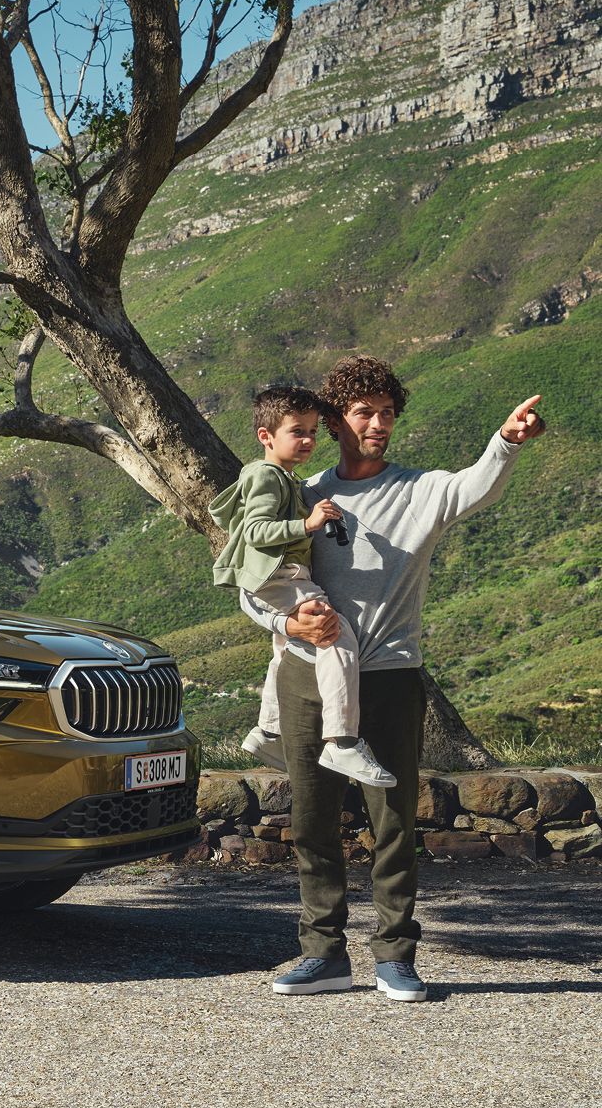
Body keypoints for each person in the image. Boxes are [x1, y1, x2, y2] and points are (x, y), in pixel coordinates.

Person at [235, 356, 545, 1004]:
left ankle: (395, 957)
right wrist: (291, 625)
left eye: (387, 413)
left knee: (395, 822)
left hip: (391, 677)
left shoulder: (420, 489)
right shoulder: (304, 494)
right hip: (305, 676)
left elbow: (473, 487)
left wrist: (505, 444)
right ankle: (321, 954)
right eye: (364, 413)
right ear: (335, 421)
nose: (378, 424)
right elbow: (253, 581)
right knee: (314, 819)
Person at [209, 384, 394, 788]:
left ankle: (266, 733)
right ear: (266, 436)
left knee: (287, 648)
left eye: (312, 430)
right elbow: (257, 530)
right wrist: (308, 524)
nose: (309, 440)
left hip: (280, 574)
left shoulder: (283, 477)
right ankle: (342, 741)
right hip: (282, 575)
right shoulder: (267, 476)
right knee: (337, 636)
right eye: (298, 431)